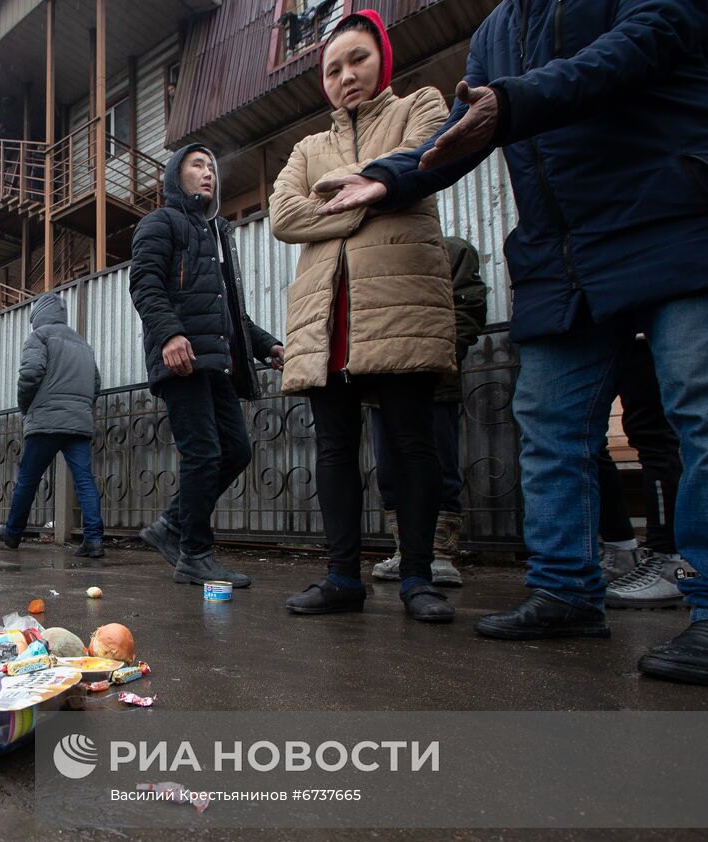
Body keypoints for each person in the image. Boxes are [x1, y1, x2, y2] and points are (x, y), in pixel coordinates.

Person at [315, 0, 708, 684]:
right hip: (562, 252)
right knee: (549, 422)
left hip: (677, 210)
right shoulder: (498, 32)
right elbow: (462, 132)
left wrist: (510, 104)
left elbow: (640, 45)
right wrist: (388, 176)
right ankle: (565, 588)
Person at [269, 11, 456, 622]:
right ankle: (342, 575)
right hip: (329, 313)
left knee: (411, 441)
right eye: (333, 68)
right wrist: (369, 199)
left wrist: (355, 187)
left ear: (383, 61)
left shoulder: (420, 106)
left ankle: (418, 577)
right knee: (334, 445)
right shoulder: (306, 147)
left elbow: (426, 158)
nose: (346, 76)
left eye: (358, 60)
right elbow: (281, 217)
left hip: (398, 302)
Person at [130, 143, 284, 587]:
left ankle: (171, 527)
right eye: (197, 164)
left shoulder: (217, 233)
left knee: (237, 449)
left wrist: (265, 345)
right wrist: (170, 334)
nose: (208, 172)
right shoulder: (161, 223)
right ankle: (194, 553)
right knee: (203, 454)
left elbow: (230, 312)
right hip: (180, 360)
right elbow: (144, 285)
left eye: (212, 166)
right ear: (176, 174)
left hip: (215, 362)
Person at [371, 236, 488, 587]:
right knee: (390, 470)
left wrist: (440, 357)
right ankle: (405, 550)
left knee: (438, 464)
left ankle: (438, 553)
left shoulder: (451, 250)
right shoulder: (376, 254)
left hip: (433, 381)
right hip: (382, 381)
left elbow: (469, 307)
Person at [0, 293, 104, 557]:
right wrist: (81, 408)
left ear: (38, 315)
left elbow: (29, 375)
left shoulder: (39, 337)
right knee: (84, 480)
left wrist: (26, 408)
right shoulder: (83, 344)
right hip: (78, 423)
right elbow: (96, 384)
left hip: (45, 421)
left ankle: (13, 533)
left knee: (28, 479)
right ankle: (94, 540)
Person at [595, 336, 689, 608]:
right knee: (582, 441)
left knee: (652, 430)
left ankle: (672, 563)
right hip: (596, 325)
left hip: (642, 329)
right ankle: (622, 551)